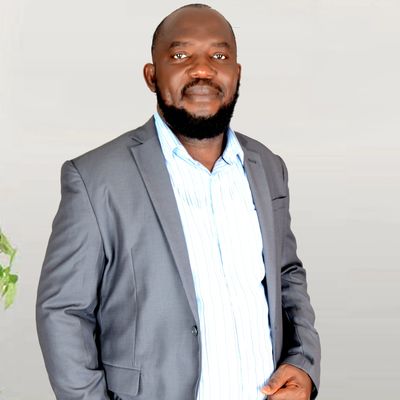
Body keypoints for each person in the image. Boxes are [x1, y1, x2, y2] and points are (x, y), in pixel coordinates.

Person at [36, 4, 321, 400]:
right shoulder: (94, 178)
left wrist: (303, 364)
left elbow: (287, 275)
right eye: (180, 55)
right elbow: (63, 312)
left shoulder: (268, 167)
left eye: (219, 56)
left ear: (237, 74)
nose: (202, 70)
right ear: (152, 76)